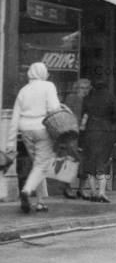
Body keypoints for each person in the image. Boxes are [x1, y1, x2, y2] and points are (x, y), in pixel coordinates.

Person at [7, 63, 61, 213]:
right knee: (41, 165)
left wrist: (11, 141)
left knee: (37, 165)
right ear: (43, 73)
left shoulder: (23, 90)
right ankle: (27, 190)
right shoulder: (48, 86)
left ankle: (40, 202)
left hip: (25, 130)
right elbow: (54, 108)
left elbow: (15, 117)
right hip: (43, 129)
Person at [82, 79, 116, 203]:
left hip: (90, 130)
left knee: (90, 161)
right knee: (103, 162)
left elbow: (83, 114)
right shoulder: (111, 97)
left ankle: (93, 191)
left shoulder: (88, 98)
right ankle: (102, 192)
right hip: (106, 131)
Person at [62, 78, 91, 200]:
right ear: (77, 88)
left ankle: (81, 189)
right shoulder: (72, 99)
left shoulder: (90, 101)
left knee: (85, 161)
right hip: (73, 134)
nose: (84, 91)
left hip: (86, 134)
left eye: (86, 88)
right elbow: (65, 115)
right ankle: (67, 187)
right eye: (82, 88)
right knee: (71, 160)